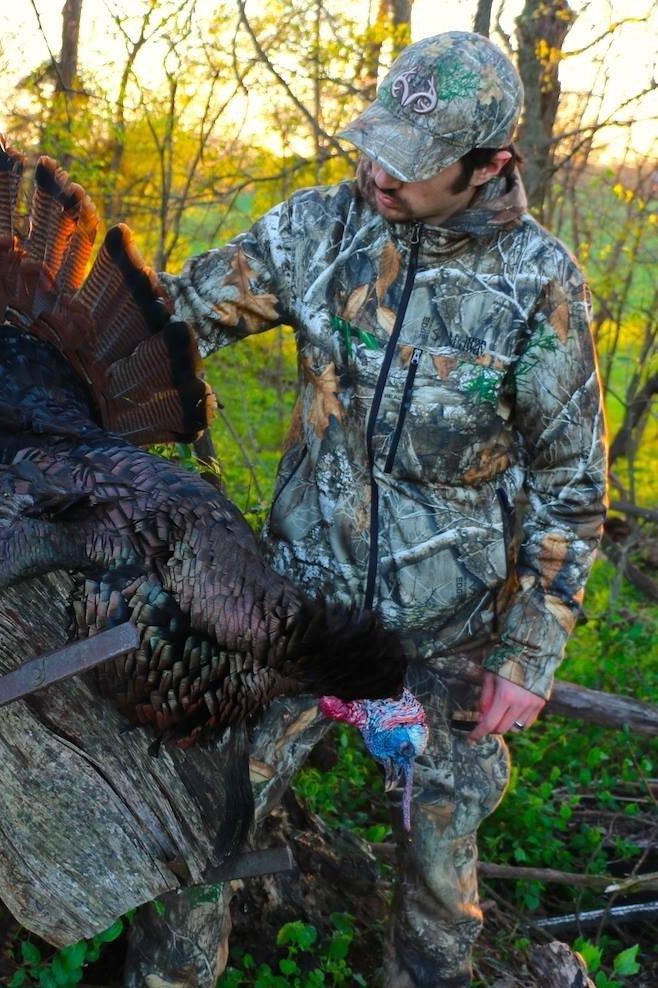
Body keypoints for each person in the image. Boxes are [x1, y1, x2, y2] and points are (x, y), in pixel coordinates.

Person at [124, 31, 608, 988]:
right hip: (297, 607)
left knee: (438, 876)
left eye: (414, 164)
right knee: (202, 817)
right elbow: (172, 319)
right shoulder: (320, 231)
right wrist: (61, 335)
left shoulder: (537, 286)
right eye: (377, 144)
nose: (381, 174)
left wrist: (526, 654)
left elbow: (571, 487)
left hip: (453, 632)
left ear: (489, 166)